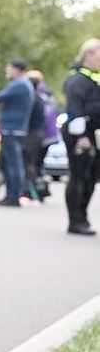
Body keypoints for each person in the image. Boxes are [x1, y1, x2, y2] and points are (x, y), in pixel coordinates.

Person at [61, 38, 100, 235]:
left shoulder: (92, 78)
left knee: (91, 178)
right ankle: (75, 221)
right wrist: (82, 136)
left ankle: (82, 217)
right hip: (80, 135)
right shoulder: (78, 79)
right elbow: (74, 109)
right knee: (79, 177)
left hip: (92, 133)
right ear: (89, 54)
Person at [0, 60, 35, 207]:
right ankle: (11, 194)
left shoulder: (19, 84)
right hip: (16, 128)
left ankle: (13, 195)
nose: (7, 71)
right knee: (8, 163)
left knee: (12, 164)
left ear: (17, 70)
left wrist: (3, 104)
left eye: (9, 69)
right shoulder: (25, 84)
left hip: (11, 129)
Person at [23, 70, 50, 200]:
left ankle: (30, 190)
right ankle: (35, 190)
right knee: (35, 164)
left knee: (29, 164)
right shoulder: (42, 97)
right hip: (39, 134)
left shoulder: (32, 99)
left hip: (31, 135)